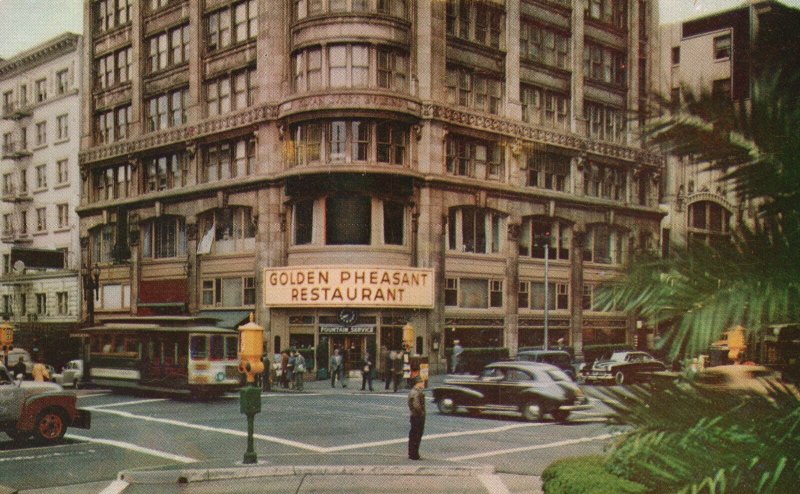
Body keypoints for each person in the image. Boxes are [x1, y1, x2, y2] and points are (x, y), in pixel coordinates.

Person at [407, 375, 426, 460]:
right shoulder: (416, 392)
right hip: (417, 417)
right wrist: (421, 413)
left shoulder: (413, 391)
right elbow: (416, 405)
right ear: (418, 383)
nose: (423, 383)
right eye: (422, 382)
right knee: (416, 435)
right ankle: (414, 455)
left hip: (414, 416)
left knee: (413, 435)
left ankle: (412, 453)